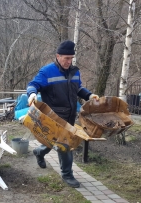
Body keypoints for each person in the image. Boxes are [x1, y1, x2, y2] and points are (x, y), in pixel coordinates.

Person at [26, 40, 99, 188]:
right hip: (53, 118)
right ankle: (67, 174)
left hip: (70, 115)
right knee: (64, 145)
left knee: (53, 142)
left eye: (71, 58)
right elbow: (33, 85)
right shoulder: (47, 71)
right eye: (66, 58)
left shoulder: (75, 72)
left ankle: (39, 152)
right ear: (58, 56)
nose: (68, 61)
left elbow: (78, 89)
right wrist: (32, 94)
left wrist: (89, 96)